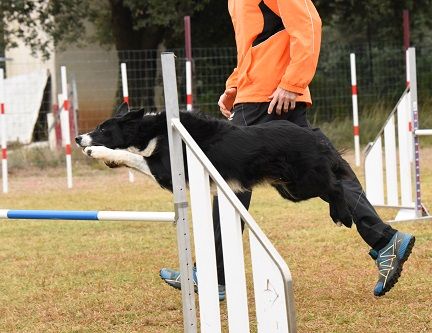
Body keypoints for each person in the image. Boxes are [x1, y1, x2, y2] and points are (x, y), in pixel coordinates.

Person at [160, 0, 415, 299]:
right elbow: (253, 43)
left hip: (271, 94)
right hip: (260, 92)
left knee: (232, 181)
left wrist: (293, 83)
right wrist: (235, 86)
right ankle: (384, 240)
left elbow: (308, 23)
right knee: (324, 165)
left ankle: (213, 274)